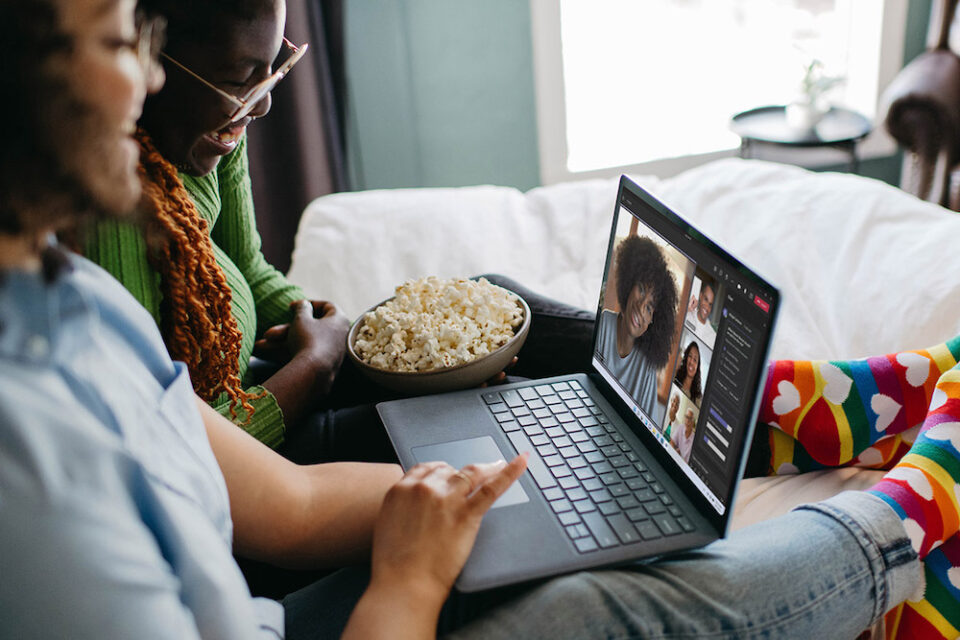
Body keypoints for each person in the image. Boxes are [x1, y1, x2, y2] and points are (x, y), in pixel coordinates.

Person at [4, 1, 960, 638]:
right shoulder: (27, 466)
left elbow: (287, 507)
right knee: (591, 605)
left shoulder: (72, 303)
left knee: (505, 365)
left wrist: (489, 494)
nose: (140, 80)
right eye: (114, 39)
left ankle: (788, 411)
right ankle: (909, 540)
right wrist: (408, 582)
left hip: (272, 572)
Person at [595, 235, 679, 418]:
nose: (641, 307)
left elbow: (648, 425)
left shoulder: (646, 366)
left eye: (649, 307)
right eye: (641, 289)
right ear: (629, 283)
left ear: (653, 321)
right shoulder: (603, 325)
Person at [685, 277, 717, 344]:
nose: (707, 307)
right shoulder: (687, 315)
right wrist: (687, 310)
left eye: (710, 304)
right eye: (706, 299)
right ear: (700, 295)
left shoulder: (713, 336)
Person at [673, 339, 703, 404]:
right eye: (690, 356)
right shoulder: (675, 377)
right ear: (686, 358)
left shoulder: (697, 399)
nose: (691, 362)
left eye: (695, 360)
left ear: (697, 367)